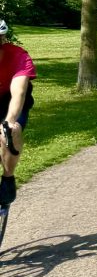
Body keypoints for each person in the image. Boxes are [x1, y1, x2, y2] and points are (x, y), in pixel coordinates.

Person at [0, 20, 35, 207]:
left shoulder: (19, 57)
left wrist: (9, 121)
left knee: (10, 132)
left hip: (10, 100)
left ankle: (8, 178)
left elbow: (18, 93)